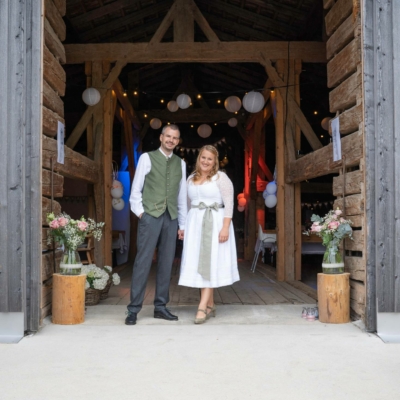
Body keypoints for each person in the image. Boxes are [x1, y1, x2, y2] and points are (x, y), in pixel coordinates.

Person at [126, 124, 186, 325]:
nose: (171, 140)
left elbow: (181, 196)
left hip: (171, 217)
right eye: (168, 136)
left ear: (177, 141)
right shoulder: (147, 158)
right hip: (150, 215)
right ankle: (133, 309)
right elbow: (136, 190)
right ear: (161, 137)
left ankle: (160, 307)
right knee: (142, 261)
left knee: (166, 263)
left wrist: (182, 224)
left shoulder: (181, 163)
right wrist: (141, 214)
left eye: (175, 138)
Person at [179, 145, 239, 324]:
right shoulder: (190, 179)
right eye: (203, 157)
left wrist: (225, 227)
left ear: (215, 162)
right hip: (195, 224)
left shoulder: (221, 178)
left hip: (215, 222)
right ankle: (210, 304)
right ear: (199, 158)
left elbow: (229, 204)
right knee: (200, 261)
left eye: (210, 159)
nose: (206, 161)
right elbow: (186, 204)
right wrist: (183, 226)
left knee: (210, 260)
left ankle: (202, 306)